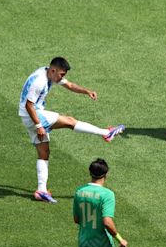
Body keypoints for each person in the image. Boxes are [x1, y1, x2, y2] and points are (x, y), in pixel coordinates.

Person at [18, 57, 125, 203]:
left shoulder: (48, 73)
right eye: (62, 74)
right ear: (53, 70)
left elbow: (69, 85)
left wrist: (86, 91)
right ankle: (106, 133)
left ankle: (41, 191)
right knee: (69, 121)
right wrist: (39, 125)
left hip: (30, 117)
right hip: (34, 115)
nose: (63, 77)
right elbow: (29, 106)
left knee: (44, 153)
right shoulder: (39, 81)